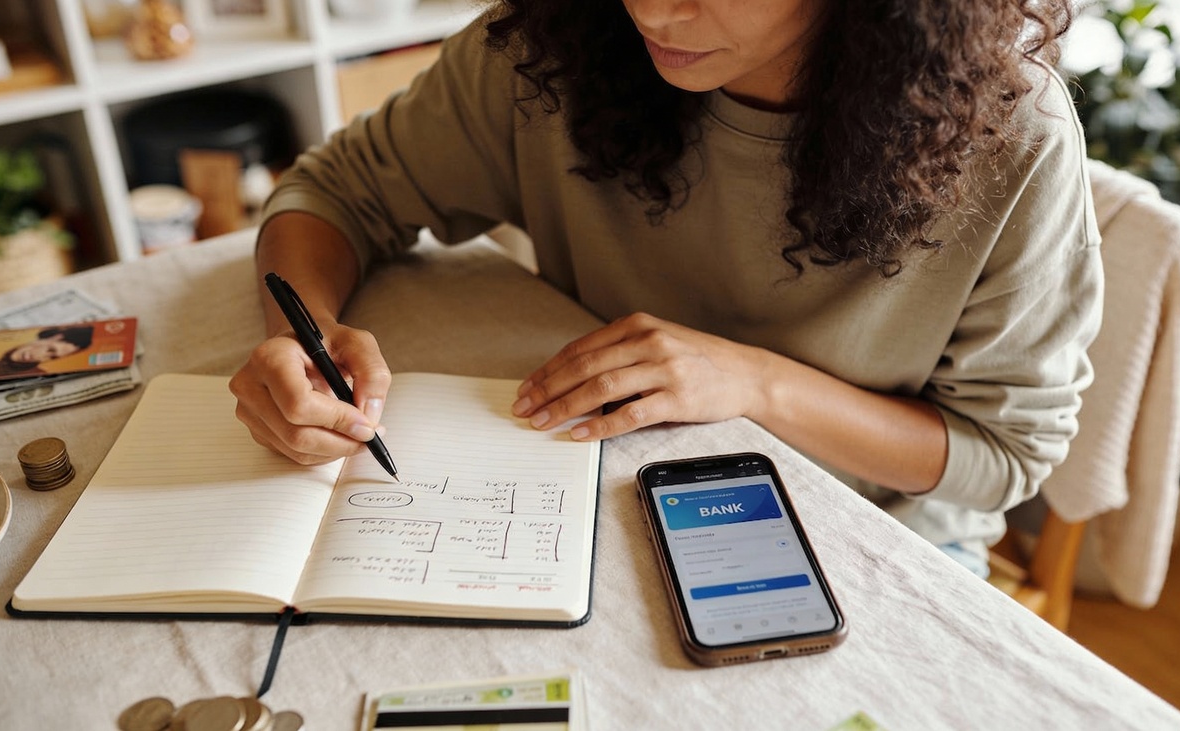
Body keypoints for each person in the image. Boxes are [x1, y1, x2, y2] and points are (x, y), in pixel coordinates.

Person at [229, 0, 1102, 578]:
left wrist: (752, 382)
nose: (651, 7)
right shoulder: (556, 35)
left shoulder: (1011, 138)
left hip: (864, 529)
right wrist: (299, 335)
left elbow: (1003, 456)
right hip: (591, 484)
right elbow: (338, 190)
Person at [0, 325, 94, 379]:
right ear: (53, 337)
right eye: (50, 349)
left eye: (53, 357)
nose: (41, 357)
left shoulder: (38, 374)